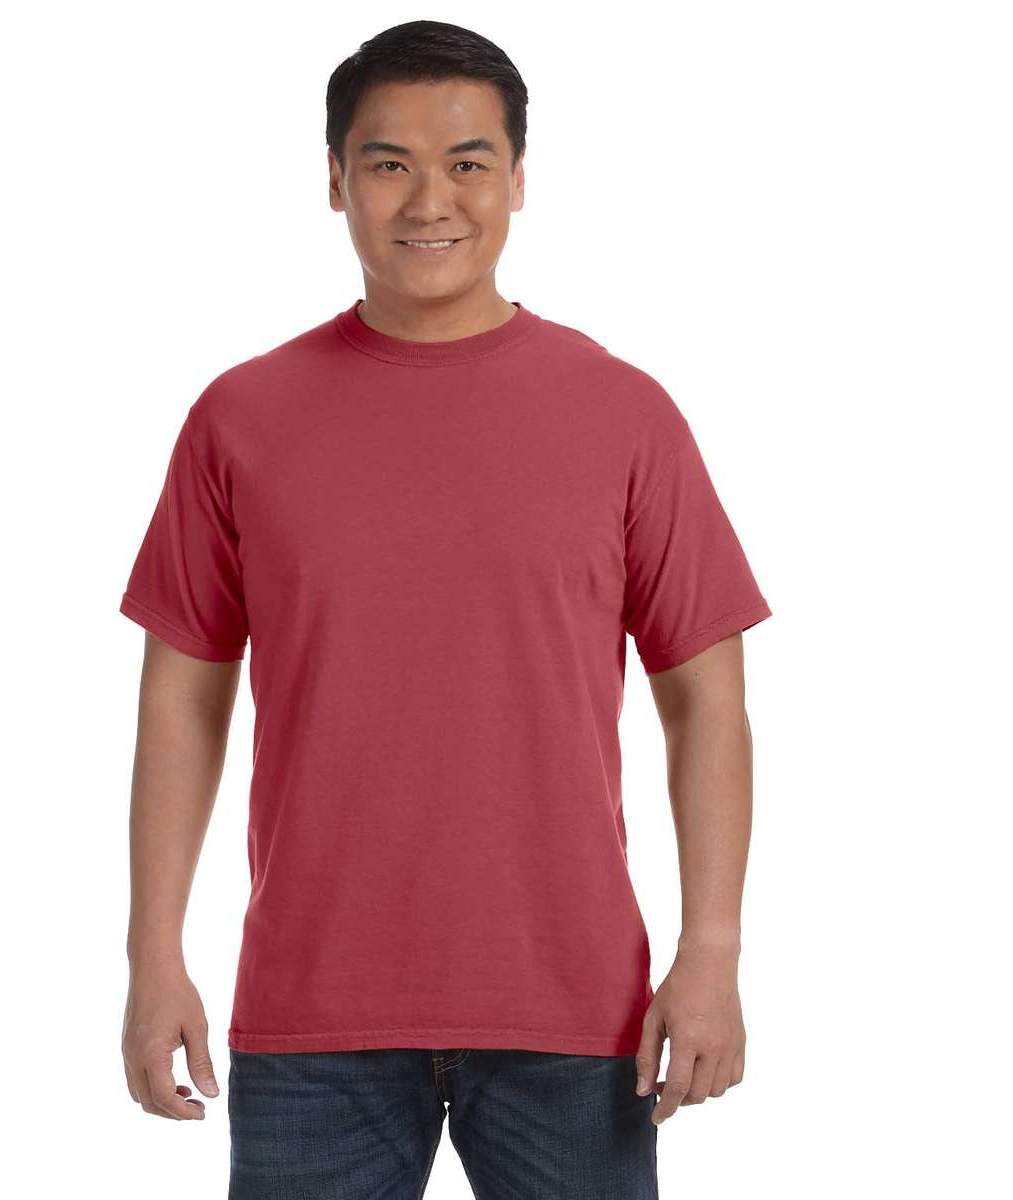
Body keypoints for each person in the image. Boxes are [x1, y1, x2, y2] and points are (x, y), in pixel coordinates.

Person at [118, 19, 772, 1199]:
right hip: (313, 1015)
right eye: (389, 164)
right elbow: (182, 698)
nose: (430, 200)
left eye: (468, 162)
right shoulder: (240, 419)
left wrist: (712, 951)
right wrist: (153, 955)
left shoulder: (625, 415)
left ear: (518, 179)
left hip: (575, 1014)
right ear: (335, 180)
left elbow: (706, 700)